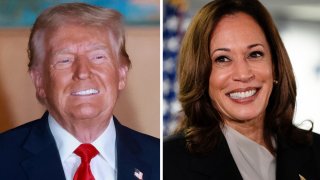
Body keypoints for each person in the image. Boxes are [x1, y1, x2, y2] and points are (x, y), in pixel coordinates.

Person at [0, 3, 159, 180]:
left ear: (121, 74)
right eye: (65, 60)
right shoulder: (4, 158)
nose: (83, 72)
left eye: (98, 57)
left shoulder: (160, 159)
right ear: (39, 80)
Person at [163, 0, 320, 179]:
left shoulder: (315, 152)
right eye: (222, 59)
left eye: (255, 54)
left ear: (275, 66)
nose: (243, 74)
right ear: (200, 75)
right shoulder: (168, 164)